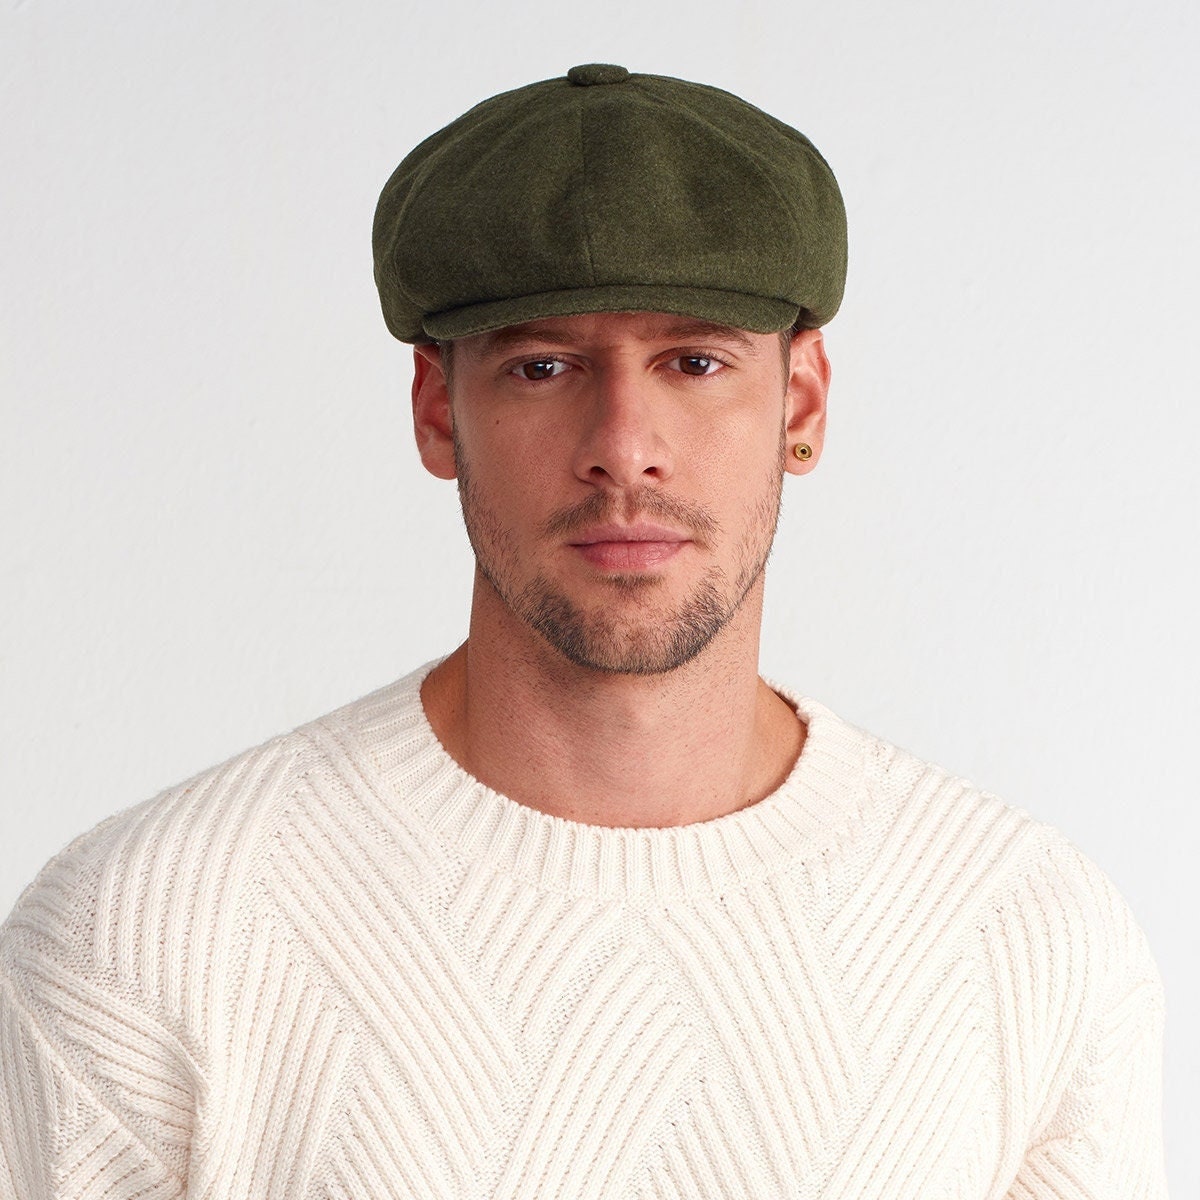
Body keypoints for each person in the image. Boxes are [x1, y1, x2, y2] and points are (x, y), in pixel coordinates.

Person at [0, 64, 1166, 1199]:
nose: (623, 445)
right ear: (437, 410)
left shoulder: (1025, 937)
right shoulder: (149, 939)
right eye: (543, 366)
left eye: (694, 362)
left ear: (801, 402)